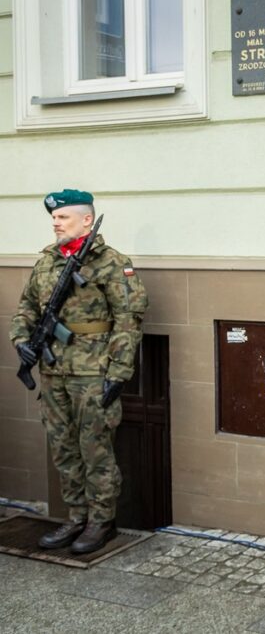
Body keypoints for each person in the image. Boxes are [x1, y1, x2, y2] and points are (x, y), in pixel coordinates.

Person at [10, 189, 148, 554]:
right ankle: (75, 516)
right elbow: (26, 307)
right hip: (53, 369)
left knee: (95, 448)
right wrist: (21, 339)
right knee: (63, 447)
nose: (55, 223)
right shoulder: (47, 262)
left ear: (87, 220)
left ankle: (101, 521)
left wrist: (118, 371)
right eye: (54, 218)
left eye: (63, 217)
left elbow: (128, 319)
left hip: (93, 370)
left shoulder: (111, 263)